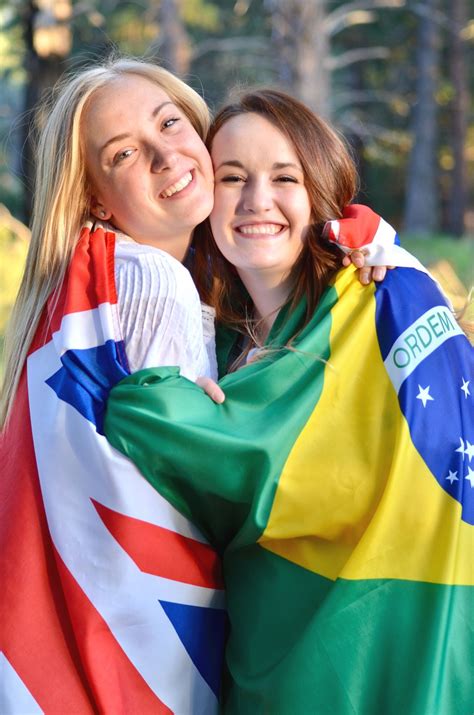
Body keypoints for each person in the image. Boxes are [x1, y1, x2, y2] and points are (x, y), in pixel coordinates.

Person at [0, 60, 389, 713]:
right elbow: (203, 488)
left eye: (169, 123)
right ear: (95, 196)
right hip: (133, 656)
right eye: (124, 152)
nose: (163, 155)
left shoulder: (79, 291)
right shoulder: (152, 279)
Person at [104, 90, 473, 714]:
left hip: (390, 661)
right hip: (269, 668)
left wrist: (156, 409)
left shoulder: (381, 299)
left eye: (284, 177)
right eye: (232, 178)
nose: (257, 201)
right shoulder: (203, 340)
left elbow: (260, 461)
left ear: (318, 194)